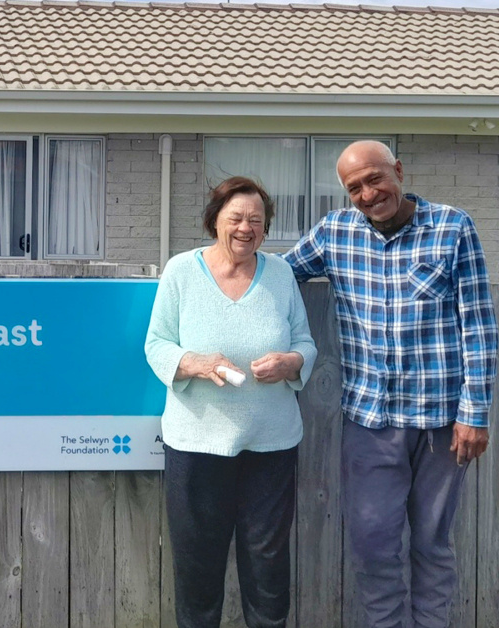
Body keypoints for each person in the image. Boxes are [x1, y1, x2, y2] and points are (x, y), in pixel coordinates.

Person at [285, 140, 497, 627]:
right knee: (373, 544)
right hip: (370, 421)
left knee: (431, 543)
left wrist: (475, 413)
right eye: (353, 187)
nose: (367, 193)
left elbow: (480, 326)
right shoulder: (333, 233)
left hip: (443, 423)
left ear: (398, 171)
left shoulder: (452, 227)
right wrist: (210, 268)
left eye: (375, 179)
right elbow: (275, 278)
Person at [145, 176, 316, 628]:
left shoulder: (280, 273)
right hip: (196, 444)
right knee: (198, 563)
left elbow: (305, 341)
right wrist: (195, 363)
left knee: (268, 564)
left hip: (271, 445)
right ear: (214, 219)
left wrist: (292, 362)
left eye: (256, 220)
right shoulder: (181, 270)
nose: (246, 228)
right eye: (236, 217)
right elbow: (156, 344)